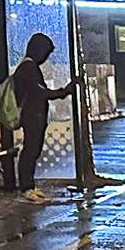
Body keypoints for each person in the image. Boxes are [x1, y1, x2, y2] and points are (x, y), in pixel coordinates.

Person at [6, 32, 76, 200]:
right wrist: (63, 92)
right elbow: (39, 92)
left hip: (34, 115)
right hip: (32, 116)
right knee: (30, 150)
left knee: (31, 150)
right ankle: (26, 187)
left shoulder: (27, 66)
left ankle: (28, 186)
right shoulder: (28, 68)